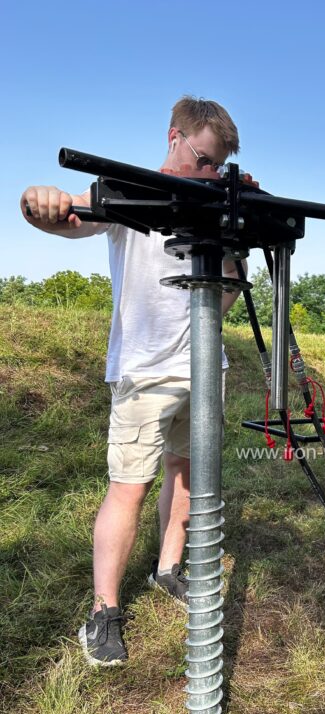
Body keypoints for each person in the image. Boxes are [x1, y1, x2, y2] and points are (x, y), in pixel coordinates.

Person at [20, 96, 246, 666]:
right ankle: (103, 612)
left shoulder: (214, 207)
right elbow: (66, 215)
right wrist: (37, 201)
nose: (209, 174)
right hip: (144, 371)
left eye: (217, 166)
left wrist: (236, 237)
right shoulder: (129, 194)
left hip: (202, 367)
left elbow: (221, 299)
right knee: (130, 486)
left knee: (189, 471)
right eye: (203, 159)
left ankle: (167, 568)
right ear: (174, 137)